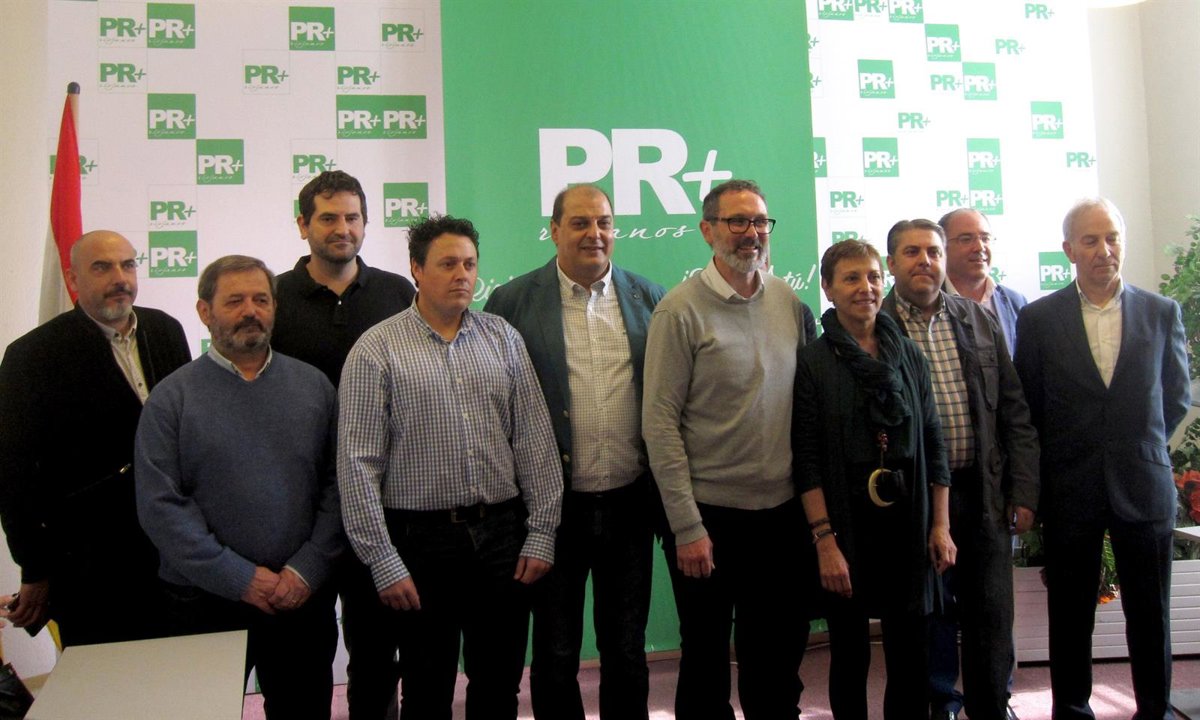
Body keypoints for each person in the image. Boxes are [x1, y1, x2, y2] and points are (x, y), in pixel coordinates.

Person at [338, 215, 562, 720]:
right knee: (426, 688)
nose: (462, 274)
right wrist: (383, 559)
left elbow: (534, 441)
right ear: (416, 269)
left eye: (469, 263)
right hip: (420, 543)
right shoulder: (377, 349)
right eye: (447, 264)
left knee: (499, 683)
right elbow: (357, 466)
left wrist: (542, 532)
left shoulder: (502, 338)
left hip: (502, 536)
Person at [484, 184, 665, 720]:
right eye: (581, 223)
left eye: (604, 222)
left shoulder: (650, 299)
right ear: (554, 230)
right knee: (556, 651)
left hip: (629, 504)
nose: (595, 234)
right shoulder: (512, 302)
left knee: (626, 647)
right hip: (551, 510)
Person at [135, 255, 343, 720]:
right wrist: (239, 578)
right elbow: (160, 506)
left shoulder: (315, 387)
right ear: (204, 311)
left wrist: (306, 569)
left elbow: (339, 488)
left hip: (299, 596)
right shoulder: (171, 398)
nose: (251, 311)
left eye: (261, 300)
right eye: (234, 301)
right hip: (204, 601)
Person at [642, 179, 813, 720]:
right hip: (708, 518)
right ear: (707, 230)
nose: (751, 233)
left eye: (760, 221)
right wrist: (687, 526)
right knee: (706, 659)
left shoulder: (787, 301)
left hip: (780, 516)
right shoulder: (678, 311)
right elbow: (659, 425)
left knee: (775, 656)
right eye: (737, 221)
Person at [1014, 198, 1190, 720]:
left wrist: (1140, 443)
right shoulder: (1039, 318)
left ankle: (1154, 709)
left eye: (1112, 237)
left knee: (1151, 611)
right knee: (1070, 613)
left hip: (1143, 482)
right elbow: (1030, 403)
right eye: (1090, 240)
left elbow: (1176, 396)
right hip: (1071, 485)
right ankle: (1072, 710)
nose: (1104, 250)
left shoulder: (1161, 312)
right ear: (1069, 250)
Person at [880, 220, 1039, 720]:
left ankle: (992, 705)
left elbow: (1013, 409)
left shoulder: (975, 318)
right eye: (911, 252)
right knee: (927, 614)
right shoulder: (876, 325)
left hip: (983, 489)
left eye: (933, 251)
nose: (924, 261)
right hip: (916, 499)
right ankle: (941, 702)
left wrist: (1024, 490)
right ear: (891, 263)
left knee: (991, 611)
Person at [0, 230, 191, 647]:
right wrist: (34, 566)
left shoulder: (166, 330)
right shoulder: (31, 356)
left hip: (172, 551)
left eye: (128, 265)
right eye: (102, 267)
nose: (119, 278)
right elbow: (13, 474)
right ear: (73, 279)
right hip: (90, 563)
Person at [794, 239, 956, 720]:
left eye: (872, 277)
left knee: (911, 654)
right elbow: (806, 459)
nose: (865, 287)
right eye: (851, 278)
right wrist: (824, 541)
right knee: (850, 653)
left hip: (909, 524)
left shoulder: (909, 355)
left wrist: (941, 525)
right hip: (845, 527)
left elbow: (934, 441)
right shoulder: (813, 362)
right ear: (827, 288)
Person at [273, 170, 415, 720]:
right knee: (300, 658)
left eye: (352, 217)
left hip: (380, 503)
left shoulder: (398, 293)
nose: (342, 228)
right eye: (328, 217)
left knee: (377, 652)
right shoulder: (275, 298)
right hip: (300, 507)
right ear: (303, 224)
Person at [940, 208, 1027, 352]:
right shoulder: (930, 302)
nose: (979, 247)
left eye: (985, 238)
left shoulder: (1015, 302)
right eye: (966, 239)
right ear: (942, 247)